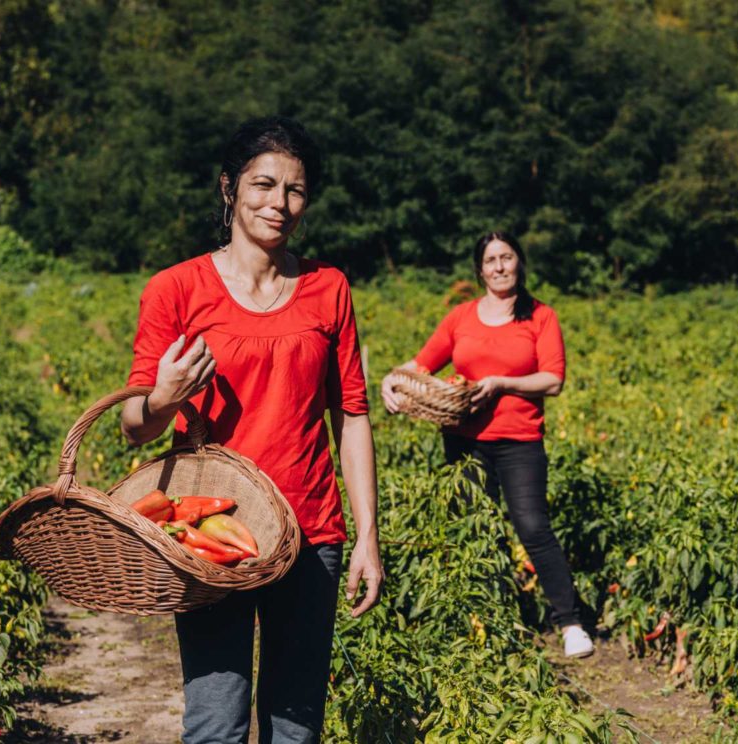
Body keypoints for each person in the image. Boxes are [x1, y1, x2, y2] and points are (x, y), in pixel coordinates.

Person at [119, 116, 383, 744]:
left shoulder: (329, 288)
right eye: (263, 185)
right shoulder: (176, 289)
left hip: (311, 531)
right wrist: (164, 397)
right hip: (212, 537)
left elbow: (351, 416)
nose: (280, 203)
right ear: (229, 189)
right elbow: (135, 427)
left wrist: (367, 535)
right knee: (216, 724)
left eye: (295, 190)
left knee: (296, 727)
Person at [380, 232, 594, 659]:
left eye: (507, 257)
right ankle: (491, 619)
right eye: (491, 260)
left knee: (533, 527)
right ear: (479, 270)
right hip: (463, 441)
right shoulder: (461, 317)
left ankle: (570, 622)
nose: (499, 266)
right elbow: (422, 363)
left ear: (519, 263)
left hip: (519, 440)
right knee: (476, 529)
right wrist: (391, 378)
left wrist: (500, 384)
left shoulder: (539, 317)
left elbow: (553, 379)